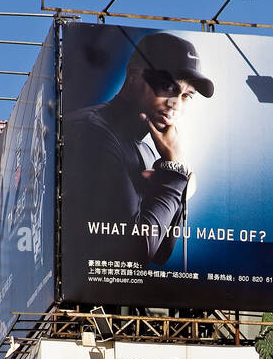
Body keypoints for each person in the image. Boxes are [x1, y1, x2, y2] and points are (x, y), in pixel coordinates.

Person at [64, 32, 214, 269]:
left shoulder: (147, 151)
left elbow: (161, 251)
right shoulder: (94, 132)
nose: (175, 104)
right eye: (167, 86)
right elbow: (133, 255)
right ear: (133, 74)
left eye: (186, 96)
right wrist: (176, 176)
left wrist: (173, 170)